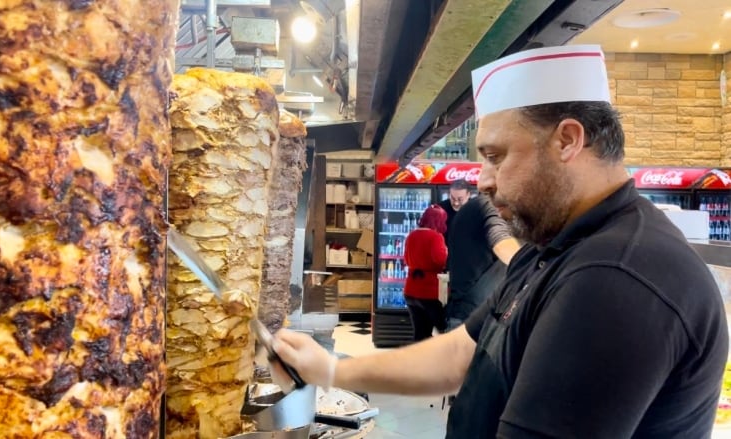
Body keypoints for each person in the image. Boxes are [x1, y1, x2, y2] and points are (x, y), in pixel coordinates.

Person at [272, 45, 728, 438]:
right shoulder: (551, 246)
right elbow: (459, 355)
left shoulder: (617, 278)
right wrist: (333, 371)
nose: (483, 181)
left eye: (495, 156)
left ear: (567, 140)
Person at [444, 194, 520, 331]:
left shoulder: (472, 208)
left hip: (465, 313)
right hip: (476, 320)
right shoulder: (489, 206)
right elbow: (501, 241)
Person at [403, 205, 448, 341]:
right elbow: (440, 260)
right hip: (430, 291)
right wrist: (447, 253)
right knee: (444, 329)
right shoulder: (436, 237)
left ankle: (417, 361)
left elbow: (406, 259)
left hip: (410, 289)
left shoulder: (412, 235)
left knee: (420, 334)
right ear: (438, 221)